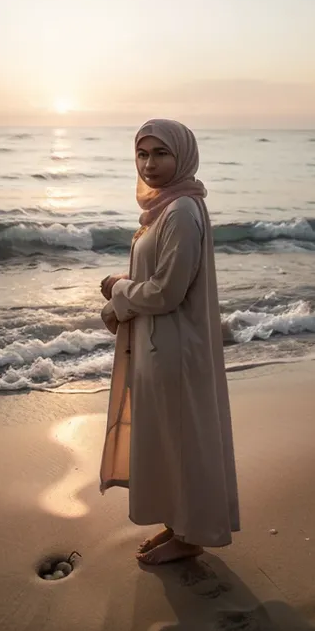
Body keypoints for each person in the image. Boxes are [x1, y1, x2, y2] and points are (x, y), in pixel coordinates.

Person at [99, 118, 240, 565]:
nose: (149, 163)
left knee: (182, 442)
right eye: (142, 154)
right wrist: (127, 282)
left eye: (161, 153)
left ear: (183, 156)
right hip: (163, 345)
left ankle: (192, 535)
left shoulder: (179, 211)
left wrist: (119, 293)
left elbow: (167, 291)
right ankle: (179, 524)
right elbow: (162, 274)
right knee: (170, 440)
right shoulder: (168, 207)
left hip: (174, 350)